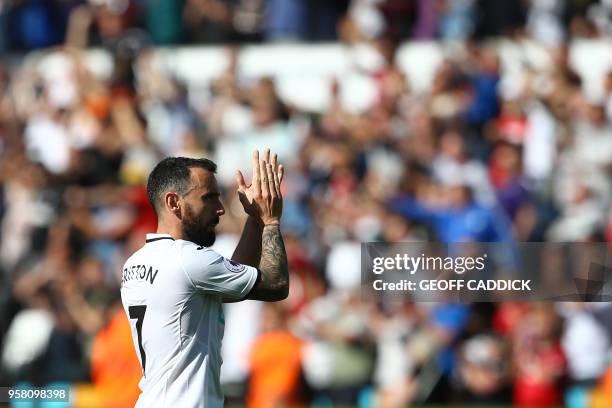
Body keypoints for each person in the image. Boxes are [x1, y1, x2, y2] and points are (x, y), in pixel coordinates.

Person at [120, 148, 289, 408]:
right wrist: (271, 220)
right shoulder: (188, 260)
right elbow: (275, 284)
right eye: (209, 198)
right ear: (173, 202)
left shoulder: (135, 263)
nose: (220, 209)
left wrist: (254, 219)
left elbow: (233, 284)